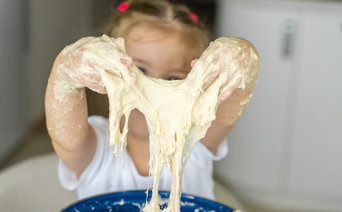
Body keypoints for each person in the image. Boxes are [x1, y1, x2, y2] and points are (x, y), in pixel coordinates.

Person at [45, 0, 259, 200]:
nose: (153, 89)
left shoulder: (196, 141)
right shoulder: (95, 149)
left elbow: (230, 106)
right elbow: (67, 139)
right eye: (139, 70)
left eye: (174, 78)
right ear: (105, 73)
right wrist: (65, 72)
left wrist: (244, 55)